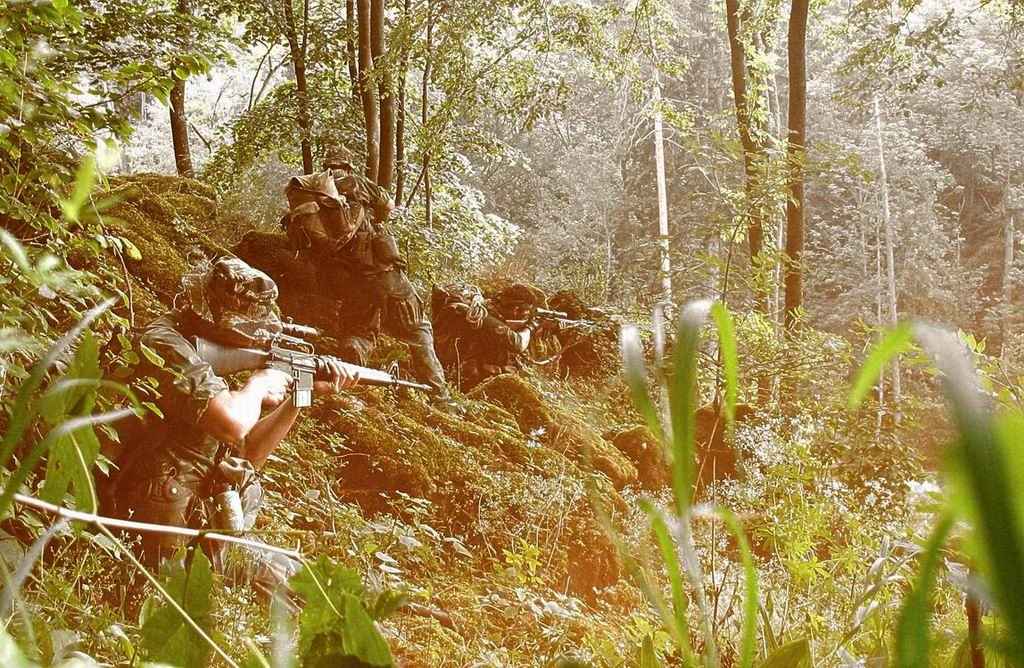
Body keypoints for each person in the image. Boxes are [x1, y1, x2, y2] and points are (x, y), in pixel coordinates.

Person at [107, 256, 357, 595]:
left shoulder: (201, 349)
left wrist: (301, 395)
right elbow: (231, 425)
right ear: (214, 317)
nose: (253, 339)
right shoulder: (165, 344)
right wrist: (257, 385)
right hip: (145, 513)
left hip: (199, 507)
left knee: (314, 586)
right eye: (246, 329)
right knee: (293, 591)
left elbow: (249, 453)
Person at [295, 147, 455, 407]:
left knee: (359, 331)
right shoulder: (354, 182)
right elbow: (387, 205)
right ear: (348, 166)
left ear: (326, 166)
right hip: (382, 274)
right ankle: (440, 395)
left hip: (347, 280)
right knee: (417, 328)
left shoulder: (312, 191)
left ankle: (349, 379)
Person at [430, 283, 544, 389]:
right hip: (465, 379)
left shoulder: (488, 310)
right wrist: (531, 327)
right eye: (525, 316)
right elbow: (518, 343)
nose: (525, 319)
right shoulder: (486, 318)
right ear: (516, 310)